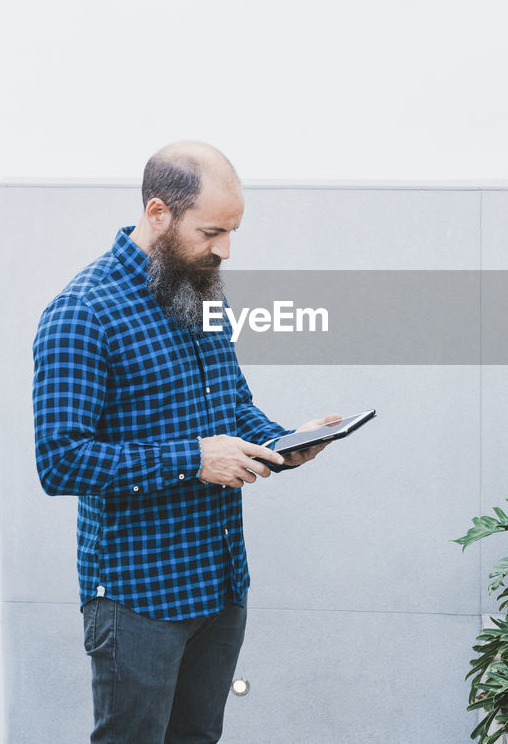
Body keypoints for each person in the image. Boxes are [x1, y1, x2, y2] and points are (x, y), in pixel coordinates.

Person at [32, 140, 338, 744]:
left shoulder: (203, 289)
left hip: (220, 585)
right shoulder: (81, 312)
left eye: (232, 232)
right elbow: (60, 461)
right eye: (212, 231)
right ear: (158, 214)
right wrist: (196, 460)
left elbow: (233, 409)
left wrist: (286, 442)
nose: (223, 249)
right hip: (137, 598)